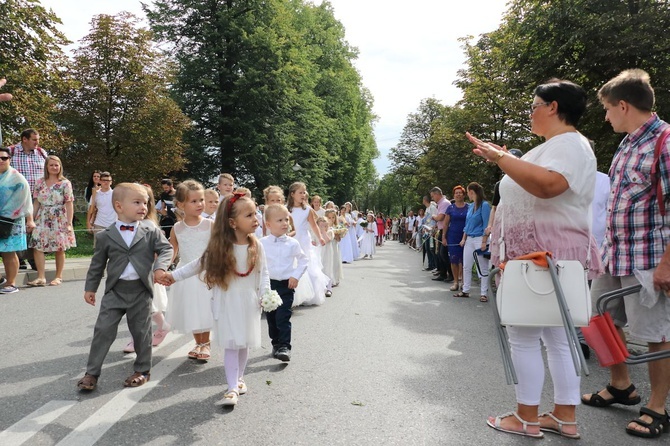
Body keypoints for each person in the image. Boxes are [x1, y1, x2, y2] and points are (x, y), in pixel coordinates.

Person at [466, 78, 600, 439]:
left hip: (543, 255)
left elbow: (548, 186)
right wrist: (505, 158)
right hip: (543, 254)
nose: (530, 112)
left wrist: (501, 157)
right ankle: (563, 416)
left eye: (534, 105)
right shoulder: (555, 146)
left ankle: (526, 416)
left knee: (526, 336)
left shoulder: (570, 144)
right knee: (558, 337)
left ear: (552, 107)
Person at [581, 69, 670, 439]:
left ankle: (658, 407)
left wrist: (667, 264)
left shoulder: (665, 142)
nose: (605, 117)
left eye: (607, 109)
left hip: (648, 259)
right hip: (614, 254)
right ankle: (621, 385)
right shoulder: (628, 142)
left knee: (655, 332)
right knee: (598, 318)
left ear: (623, 105)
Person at [161, 193, 269, 407]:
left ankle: (239, 379)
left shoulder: (257, 245)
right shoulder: (220, 247)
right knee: (231, 343)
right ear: (232, 222)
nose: (256, 217)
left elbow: (263, 272)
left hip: (249, 302)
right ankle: (230, 388)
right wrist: (173, 276)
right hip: (227, 301)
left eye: (255, 212)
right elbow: (197, 265)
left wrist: (266, 294)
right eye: (249, 214)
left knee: (244, 343)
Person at [77, 183, 172, 391]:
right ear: (119, 206)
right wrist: (90, 288)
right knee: (103, 330)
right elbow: (97, 264)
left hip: (140, 291)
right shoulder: (105, 235)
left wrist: (160, 268)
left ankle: (142, 370)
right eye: (137, 202)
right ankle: (91, 373)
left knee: (141, 333)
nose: (143, 207)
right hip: (115, 291)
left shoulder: (151, 231)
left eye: (145, 203)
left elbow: (167, 249)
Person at [165, 180, 214, 361]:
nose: (200, 204)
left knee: (205, 309)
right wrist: (162, 269)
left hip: (205, 273)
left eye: (201, 200)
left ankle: (206, 343)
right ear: (180, 204)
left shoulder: (210, 225)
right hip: (184, 274)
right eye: (194, 201)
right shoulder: (177, 228)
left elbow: (216, 249)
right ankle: (198, 343)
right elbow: (172, 251)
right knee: (192, 309)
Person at [260, 204, 308, 362]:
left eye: (286, 219)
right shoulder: (262, 243)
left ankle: (285, 347)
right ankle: (276, 343)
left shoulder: (292, 243)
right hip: (269, 286)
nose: (284, 223)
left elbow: (303, 261)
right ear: (268, 224)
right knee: (272, 319)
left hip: (286, 285)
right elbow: (257, 264)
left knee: (283, 317)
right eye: (279, 220)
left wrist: (295, 276)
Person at [27, 155, 76, 287]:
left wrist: (69, 223)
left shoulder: (65, 183)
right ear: (46, 167)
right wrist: (31, 219)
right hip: (42, 216)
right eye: (51, 165)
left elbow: (69, 203)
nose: (54, 167)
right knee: (37, 245)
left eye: (57, 165)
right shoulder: (39, 182)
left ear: (60, 167)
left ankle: (58, 276)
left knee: (59, 247)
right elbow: (36, 202)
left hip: (59, 217)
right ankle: (41, 276)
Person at [8, 128, 47, 270]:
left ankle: (33, 258)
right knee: (17, 228)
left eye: (38, 139)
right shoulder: (10, 152)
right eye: (34, 139)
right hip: (16, 197)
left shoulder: (41, 153)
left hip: (36, 198)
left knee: (34, 229)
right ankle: (18, 258)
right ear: (25, 139)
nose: (37, 143)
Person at [0, 147, 35, 294]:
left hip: (11, 220)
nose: (1, 161)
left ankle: (11, 283)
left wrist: (30, 220)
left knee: (8, 252)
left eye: (4, 158)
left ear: (10, 159)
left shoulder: (17, 179)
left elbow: (21, 203)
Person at [288, 182, 328, 306]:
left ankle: (309, 295)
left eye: (304, 192)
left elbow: (314, 225)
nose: (303, 194)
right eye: (300, 192)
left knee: (306, 264)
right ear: (292, 194)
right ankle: (294, 296)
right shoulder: (286, 209)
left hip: (304, 240)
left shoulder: (307, 210)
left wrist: (320, 237)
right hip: (291, 239)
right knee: (292, 265)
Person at [454, 182, 491, 302]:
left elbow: (486, 224)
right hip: (469, 238)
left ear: (471, 192)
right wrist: (464, 238)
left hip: (480, 238)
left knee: (482, 267)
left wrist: (484, 241)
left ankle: (484, 293)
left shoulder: (484, 206)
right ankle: (465, 290)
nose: (468, 195)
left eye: (468, 192)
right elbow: (468, 224)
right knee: (466, 266)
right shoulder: (471, 206)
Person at [443, 186, 468, 290]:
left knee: (464, 260)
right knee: (454, 259)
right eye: (456, 193)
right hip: (452, 236)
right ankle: (456, 282)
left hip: (466, 236)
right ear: (454, 195)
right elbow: (445, 223)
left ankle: (463, 281)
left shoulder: (469, 207)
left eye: (460, 193)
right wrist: (444, 237)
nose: (458, 194)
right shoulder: (450, 208)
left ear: (464, 194)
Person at [430, 187, 454, 283]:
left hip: (446, 230)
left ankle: (450, 274)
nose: (432, 198)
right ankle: (443, 273)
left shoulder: (444, 203)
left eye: (433, 196)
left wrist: (433, 217)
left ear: (437, 194)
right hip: (440, 229)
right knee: (440, 254)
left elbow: (440, 217)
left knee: (443, 253)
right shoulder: (440, 204)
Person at [87, 172, 115, 237]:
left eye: (108, 180)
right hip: (99, 224)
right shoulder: (95, 194)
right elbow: (91, 210)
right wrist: (88, 223)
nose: (106, 182)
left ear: (111, 182)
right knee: (98, 246)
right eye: (104, 180)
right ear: (100, 181)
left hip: (113, 224)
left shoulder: (115, 194)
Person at [325, 209, 344, 286]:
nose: (331, 219)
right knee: (328, 262)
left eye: (333, 217)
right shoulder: (324, 226)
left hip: (334, 246)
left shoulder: (337, 227)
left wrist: (337, 235)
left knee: (335, 262)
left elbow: (339, 240)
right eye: (329, 218)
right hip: (327, 247)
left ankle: (334, 278)